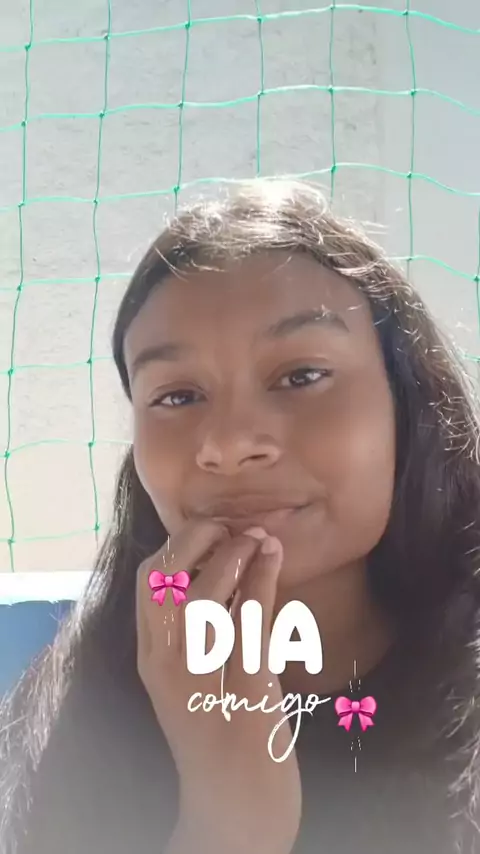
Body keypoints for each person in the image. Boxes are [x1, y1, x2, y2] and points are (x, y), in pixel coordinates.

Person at [1, 178, 480, 854]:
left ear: (409, 403)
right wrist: (226, 825)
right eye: (177, 396)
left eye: (301, 376)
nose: (227, 444)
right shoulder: (63, 718)